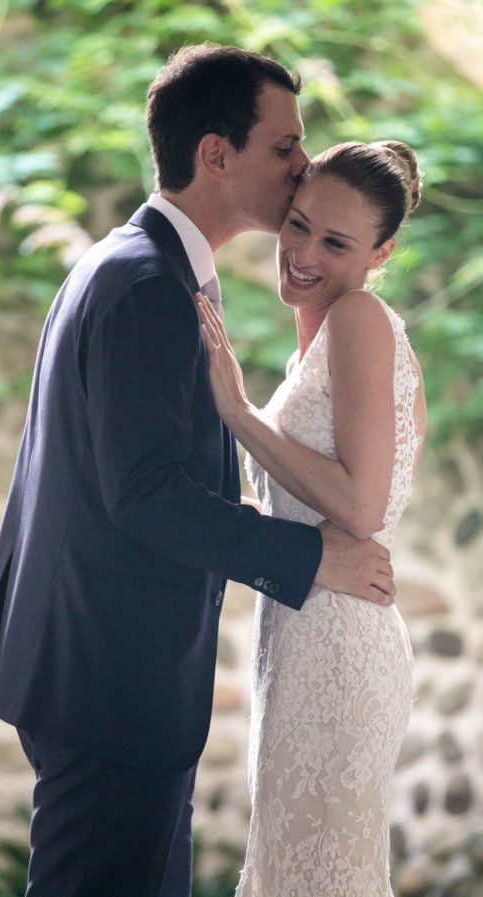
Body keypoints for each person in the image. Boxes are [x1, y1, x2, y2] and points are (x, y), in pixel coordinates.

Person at [0, 45, 395, 897]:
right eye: (284, 146)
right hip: (110, 688)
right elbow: (144, 490)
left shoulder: (137, 262)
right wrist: (310, 557)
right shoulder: (145, 282)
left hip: (108, 675)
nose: (302, 166)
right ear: (216, 154)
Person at [196, 139, 427, 896]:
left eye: (335, 242)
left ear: (381, 253)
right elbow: (300, 498)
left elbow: (361, 504)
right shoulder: (313, 350)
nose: (301, 253)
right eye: (297, 225)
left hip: (340, 646)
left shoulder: (360, 317)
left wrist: (236, 411)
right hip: (295, 635)